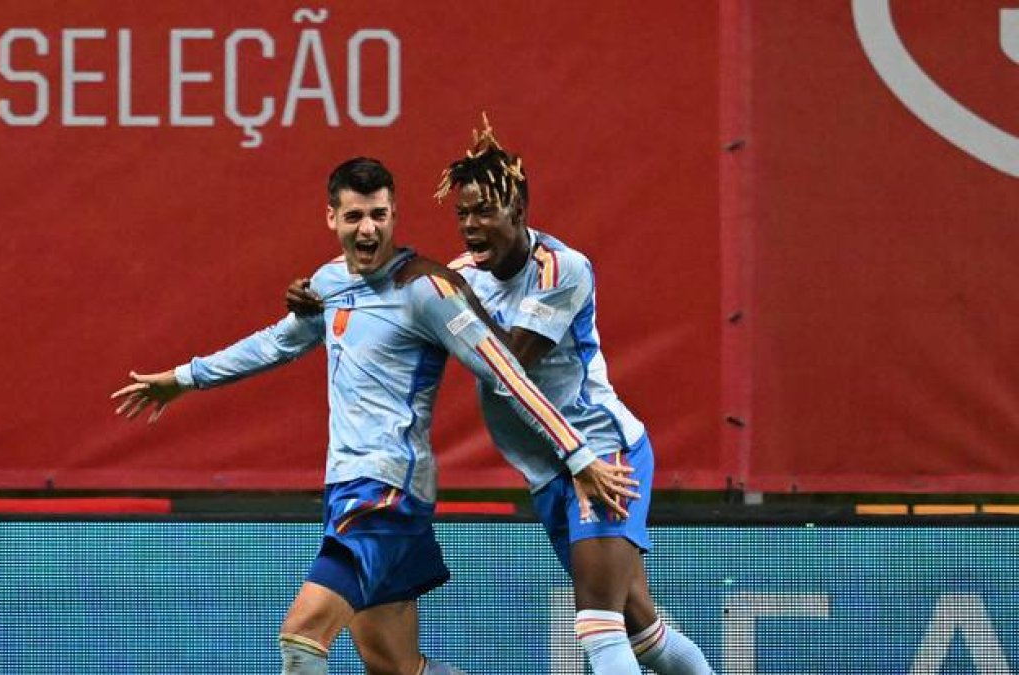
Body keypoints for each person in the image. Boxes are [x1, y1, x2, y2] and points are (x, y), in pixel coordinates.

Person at [112, 157, 638, 675]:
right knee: (393, 665)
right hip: (346, 486)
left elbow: (507, 372)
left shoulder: (427, 289)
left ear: (394, 216)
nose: (368, 229)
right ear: (332, 219)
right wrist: (185, 378)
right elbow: (276, 343)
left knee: (302, 637)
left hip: (386, 494)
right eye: (355, 217)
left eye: (379, 216)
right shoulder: (328, 282)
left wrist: (578, 454)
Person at [287, 118, 717, 675]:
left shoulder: (562, 269)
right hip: (548, 470)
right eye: (462, 214)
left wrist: (445, 292)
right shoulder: (461, 274)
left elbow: (509, 364)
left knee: (599, 626)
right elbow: (398, 314)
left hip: (599, 454)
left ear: (518, 210)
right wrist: (325, 294)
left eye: (485, 211)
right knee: (643, 630)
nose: (470, 225)